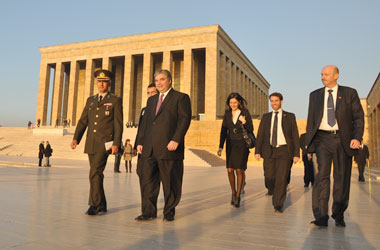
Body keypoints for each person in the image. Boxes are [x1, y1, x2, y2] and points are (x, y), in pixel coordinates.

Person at [305, 65, 364, 227]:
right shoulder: (315, 95)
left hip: (342, 139)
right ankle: (321, 216)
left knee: (341, 178)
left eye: (326, 74)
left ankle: (338, 213)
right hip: (322, 139)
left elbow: (358, 118)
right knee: (321, 177)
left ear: (336, 75)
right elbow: (311, 121)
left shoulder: (349, 93)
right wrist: (309, 147)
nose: (323, 77)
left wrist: (357, 138)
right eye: (321, 74)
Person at [136, 69, 191, 221]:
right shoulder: (151, 100)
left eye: (162, 79)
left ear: (170, 81)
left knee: (170, 182)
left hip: (169, 147)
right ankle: (148, 212)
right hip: (149, 148)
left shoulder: (181, 98)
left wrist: (176, 139)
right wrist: (140, 141)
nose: (159, 83)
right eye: (156, 80)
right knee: (147, 181)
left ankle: (169, 211)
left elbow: (184, 120)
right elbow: (146, 123)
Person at [70, 69, 123, 216]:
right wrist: (76, 138)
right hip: (91, 142)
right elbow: (83, 121)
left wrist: (116, 143)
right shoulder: (90, 100)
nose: (101, 84)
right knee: (97, 174)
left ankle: (93, 204)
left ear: (109, 84)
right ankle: (102, 205)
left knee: (94, 172)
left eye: (104, 82)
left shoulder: (115, 100)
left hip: (105, 143)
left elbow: (118, 124)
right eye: (99, 82)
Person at [255, 92, 300, 213]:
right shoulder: (266, 117)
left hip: (284, 150)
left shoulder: (290, 116)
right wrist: (257, 151)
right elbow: (260, 135)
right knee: (269, 175)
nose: (274, 103)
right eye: (272, 101)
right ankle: (271, 189)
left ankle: (278, 204)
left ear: (281, 101)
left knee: (281, 177)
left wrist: (296, 153)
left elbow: (295, 136)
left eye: (276, 101)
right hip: (269, 150)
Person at [217, 93, 253, 208]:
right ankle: (233, 192)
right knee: (229, 170)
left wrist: (244, 121)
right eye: (231, 102)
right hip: (230, 143)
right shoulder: (227, 114)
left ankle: (238, 196)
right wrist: (220, 146)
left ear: (239, 103)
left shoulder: (245, 113)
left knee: (239, 170)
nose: (233, 104)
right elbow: (223, 130)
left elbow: (251, 129)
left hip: (242, 143)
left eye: (235, 102)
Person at [133, 83, 158, 157]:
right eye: (148, 93)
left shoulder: (161, 109)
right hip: (143, 146)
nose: (150, 95)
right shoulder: (144, 110)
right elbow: (140, 129)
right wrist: (135, 146)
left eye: (153, 92)